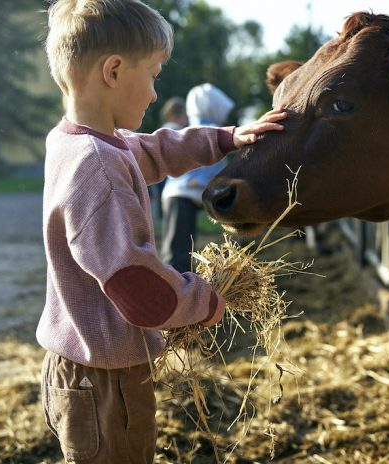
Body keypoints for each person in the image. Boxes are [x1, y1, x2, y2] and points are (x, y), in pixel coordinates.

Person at [38, 1, 286, 463]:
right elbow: (138, 288)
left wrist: (228, 138)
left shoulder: (76, 140)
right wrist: (205, 300)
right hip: (107, 381)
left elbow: (154, 150)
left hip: (80, 368)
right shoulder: (98, 167)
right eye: (152, 74)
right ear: (113, 70)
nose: (155, 93)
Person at [159, 83, 233, 272]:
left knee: (178, 248)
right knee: (178, 253)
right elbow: (214, 166)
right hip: (183, 194)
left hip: (179, 194)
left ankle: (176, 285)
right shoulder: (209, 129)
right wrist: (201, 182)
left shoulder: (193, 127)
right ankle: (173, 291)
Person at [148, 97, 188, 222]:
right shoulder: (175, 131)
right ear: (178, 115)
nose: (187, 120)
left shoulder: (162, 130)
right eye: (185, 116)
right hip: (169, 180)